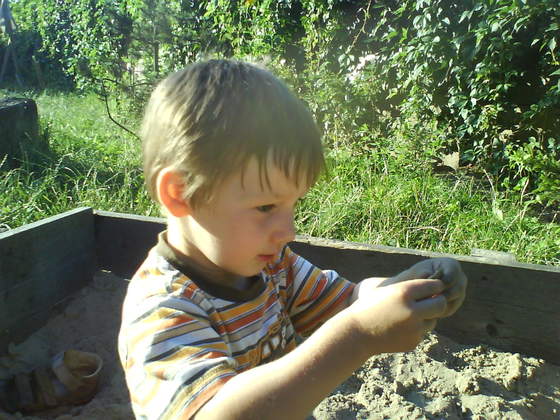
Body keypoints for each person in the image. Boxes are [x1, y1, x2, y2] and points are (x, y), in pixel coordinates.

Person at [118, 59, 467, 420]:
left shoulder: (273, 265)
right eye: (266, 206)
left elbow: (345, 301)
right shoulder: (162, 310)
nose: (289, 231)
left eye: (293, 204)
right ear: (179, 193)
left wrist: (403, 288)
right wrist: (358, 335)